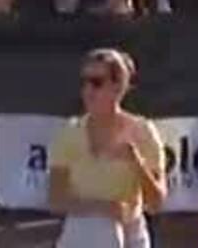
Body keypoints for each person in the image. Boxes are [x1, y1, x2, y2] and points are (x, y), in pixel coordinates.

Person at [46, 49, 167, 247]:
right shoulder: (71, 132)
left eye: (97, 82)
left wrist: (136, 162)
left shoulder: (143, 132)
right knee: (101, 228)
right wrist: (103, 208)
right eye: (84, 82)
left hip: (130, 234)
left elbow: (156, 203)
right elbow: (55, 199)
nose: (88, 90)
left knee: (110, 231)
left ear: (118, 87)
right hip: (83, 229)